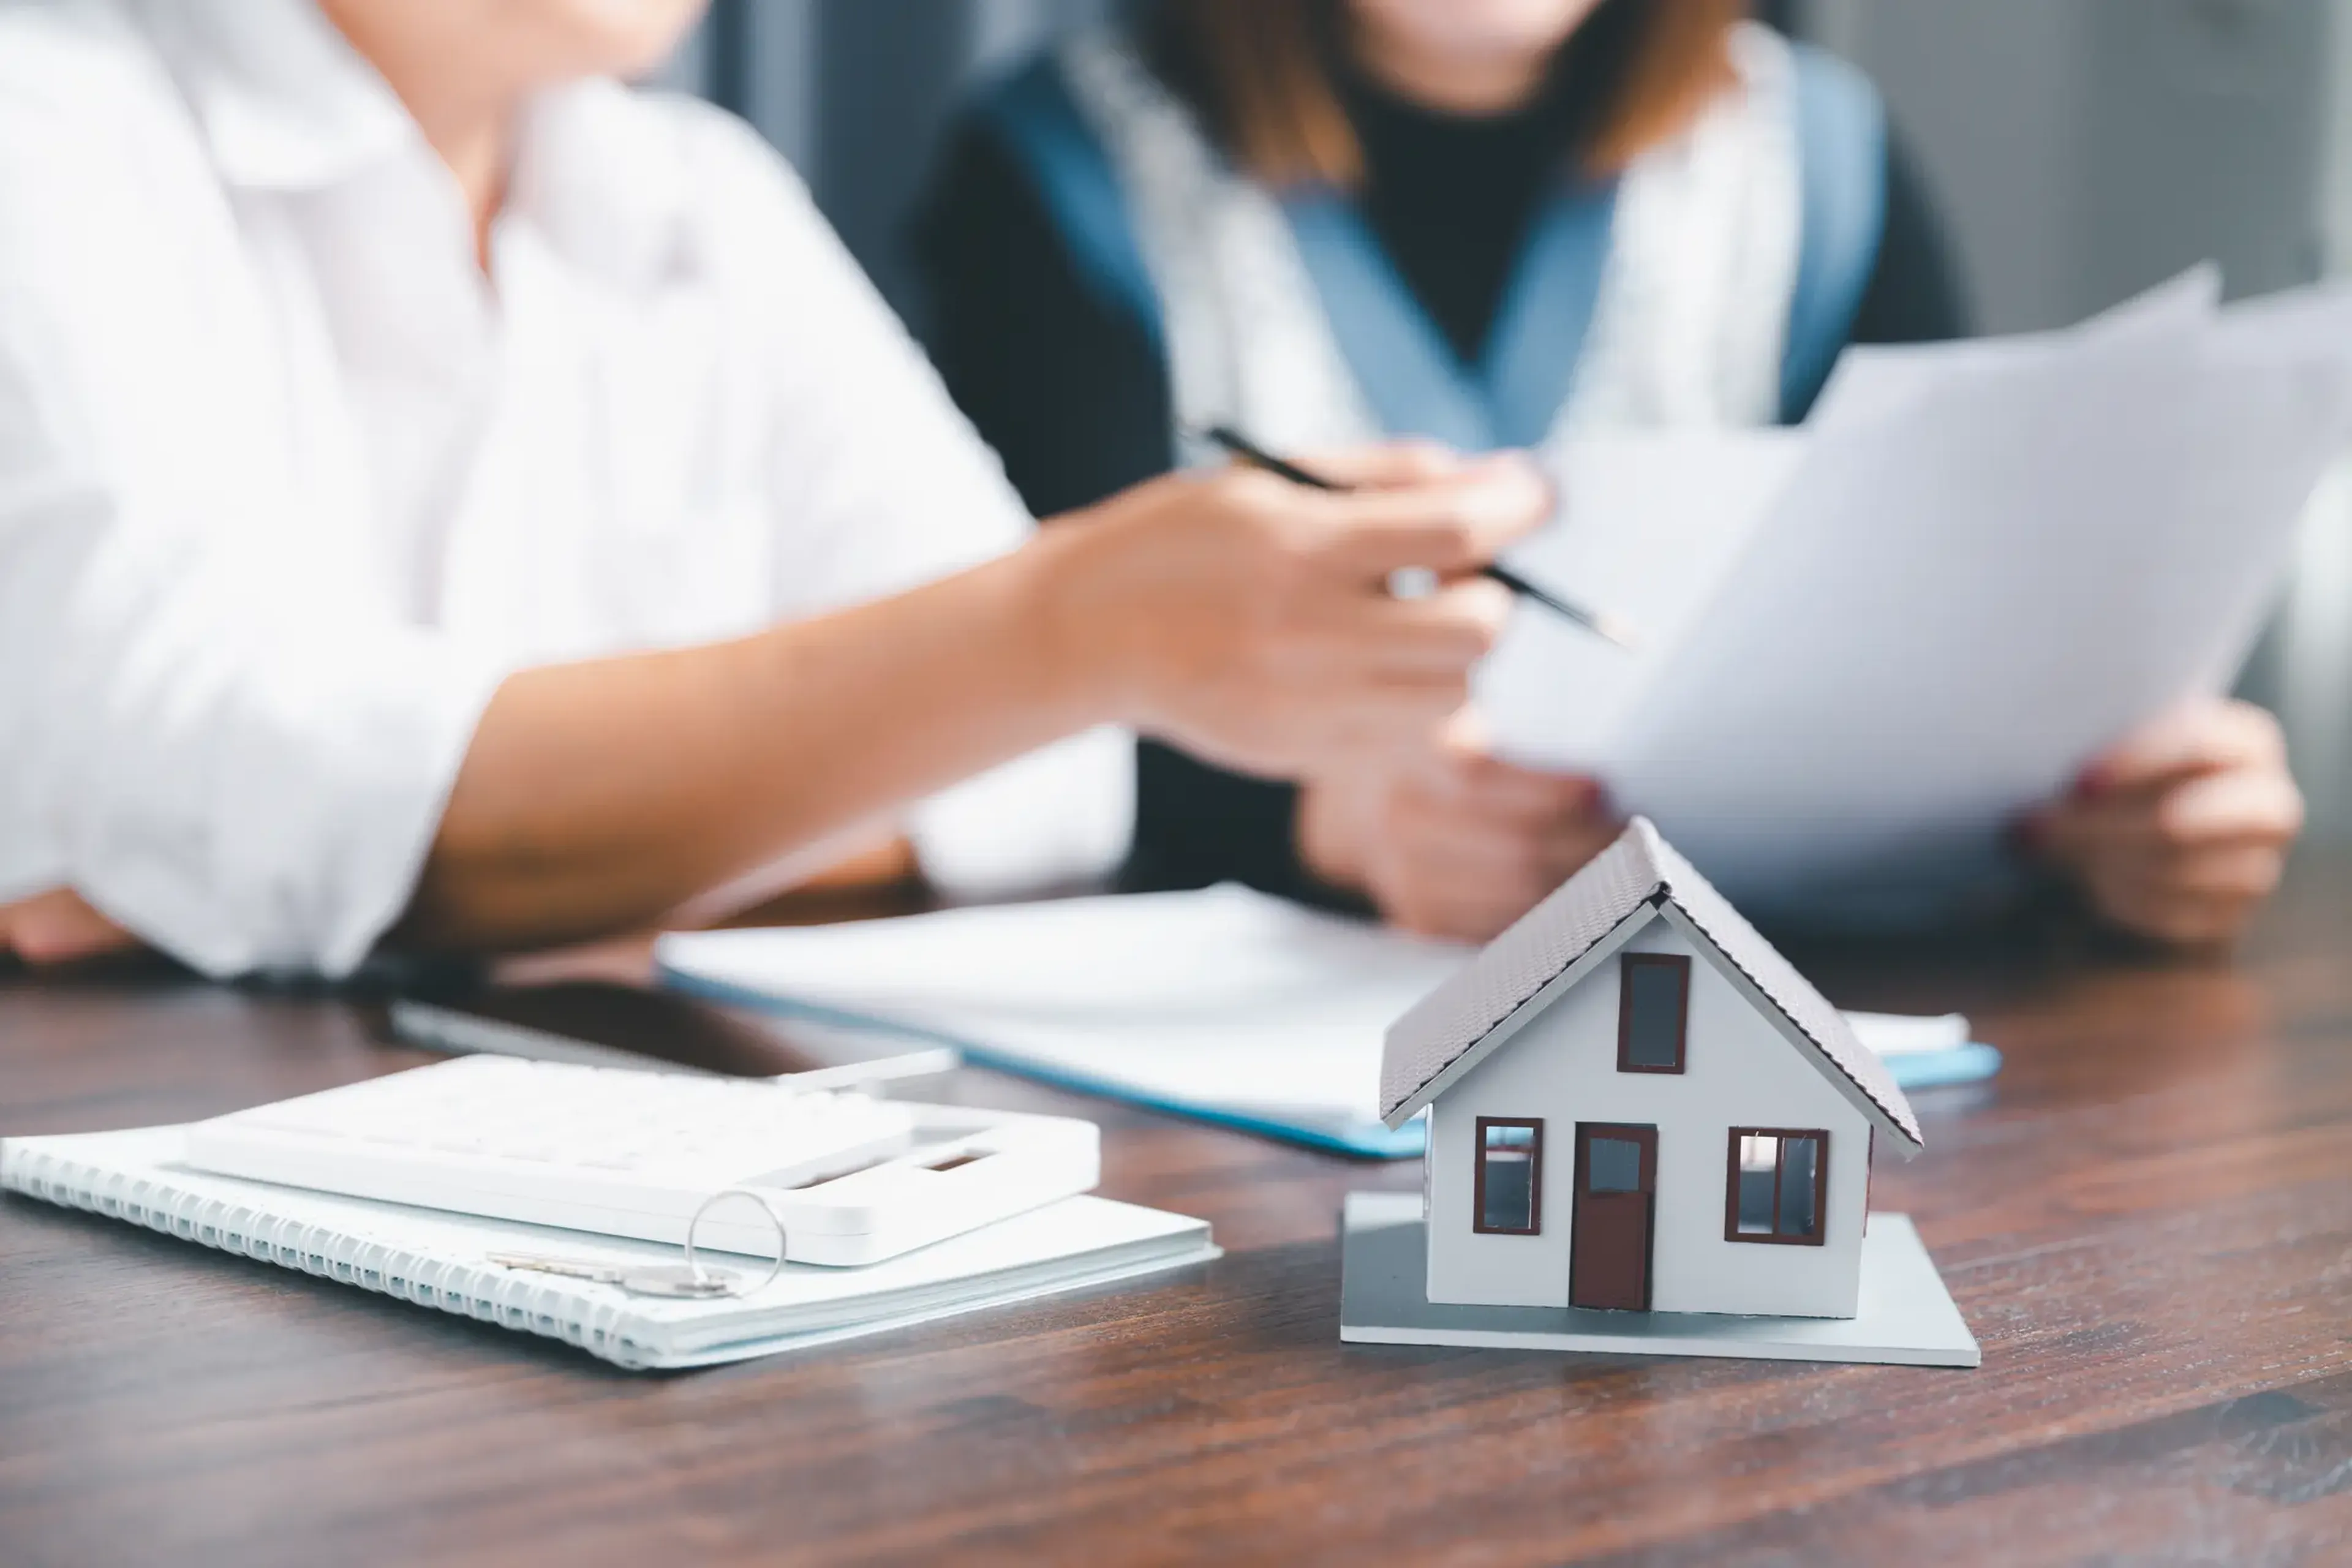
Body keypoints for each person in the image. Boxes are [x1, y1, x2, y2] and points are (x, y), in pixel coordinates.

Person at [0, 0, 1555, 976]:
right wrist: (1043, 641)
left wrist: (400, 855)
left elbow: (1046, 786)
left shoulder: (701, 197)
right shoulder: (47, 124)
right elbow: (227, 780)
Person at [916, 0, 2304, 949]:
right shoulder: (1058, 170)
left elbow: (1955, 642)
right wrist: (1325, 820)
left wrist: (2103, 810)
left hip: (1794, 1024)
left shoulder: (1817, 163)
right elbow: (995, 725)